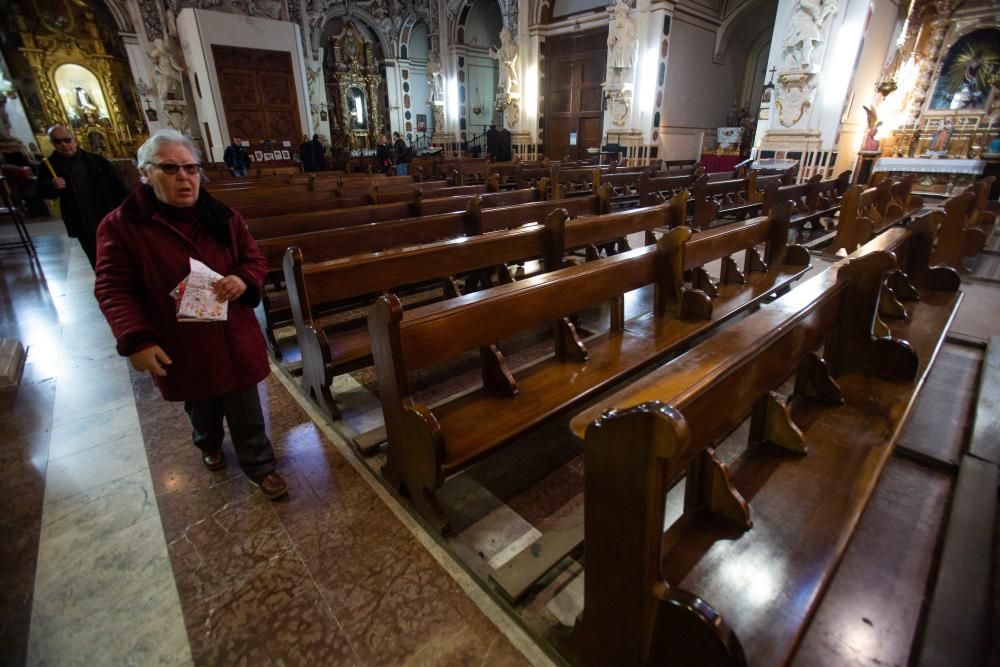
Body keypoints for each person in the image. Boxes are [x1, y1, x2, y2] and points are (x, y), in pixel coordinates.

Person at [93, 129, 287, 500]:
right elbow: (114, 288)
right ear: (145, 173)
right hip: (180, 337)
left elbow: (253, 258)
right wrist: (136, 338)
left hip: (233, 332)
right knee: (202, 406)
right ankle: (208, 443)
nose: (184, 177)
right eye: (170, 168)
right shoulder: (121, 226)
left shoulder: (222, 216)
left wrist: (243, 279)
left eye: (191, 168)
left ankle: (260, 466)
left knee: (247, 408)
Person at [36, 125, 129, 270]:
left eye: (67, 140)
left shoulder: (96, 161)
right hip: (81, 222)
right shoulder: (49, 165)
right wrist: (52, 186)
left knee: (119, 256)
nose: (64, 145)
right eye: (58, 142)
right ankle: (106, 288)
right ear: (53, 143)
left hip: (106, 217)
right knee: (97, 260)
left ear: (75, 140)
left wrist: (127, 212)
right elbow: (41, 192)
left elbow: (119, 187)